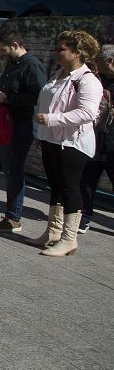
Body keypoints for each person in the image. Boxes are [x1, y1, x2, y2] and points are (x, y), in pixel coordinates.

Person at [27, 31, 102, 256]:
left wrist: (52, 120)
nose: (57, 53)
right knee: (56, 187)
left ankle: (69, 239)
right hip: (52, 139)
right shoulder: (58, 74)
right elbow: (46, 104)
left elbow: (87, 112)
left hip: (72, 142)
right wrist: (42, 134)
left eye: (62, 49)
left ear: (77, 53)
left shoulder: (87, 80)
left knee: (70, 188)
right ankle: (52, 232)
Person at [0, 28, 46, 231]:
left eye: (3, 50)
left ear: (15, 45)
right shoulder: (12, 64)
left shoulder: (32, 66)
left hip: (18, 126)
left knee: (12, 171)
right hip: (0, 123)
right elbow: (8, 92)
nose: (1, 54)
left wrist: (7, 98)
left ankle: (13, 216)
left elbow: (38, 97)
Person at [79, 44, 114, 232]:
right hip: (95, 141)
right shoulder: (96, 81)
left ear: (110, 61)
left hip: (112, 144)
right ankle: (85, 216)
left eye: (99, 60)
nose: (95, 63)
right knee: (86, 182)